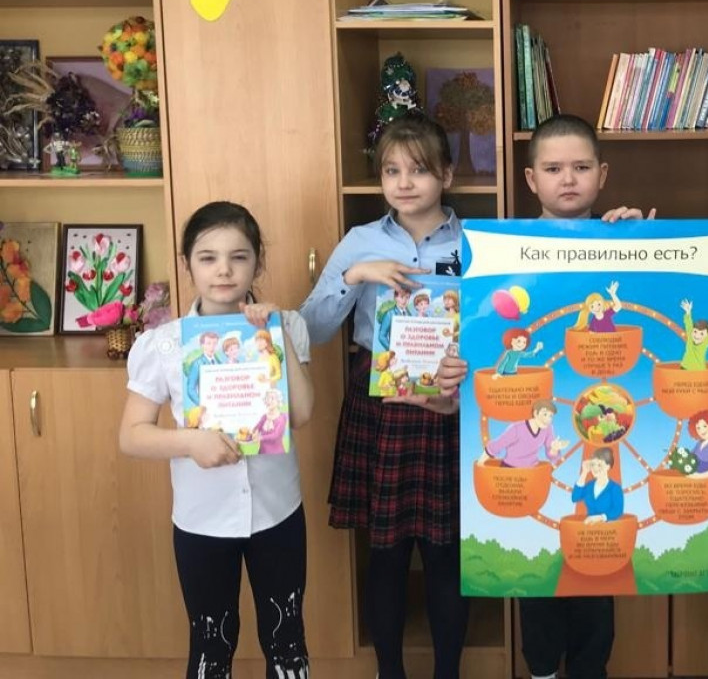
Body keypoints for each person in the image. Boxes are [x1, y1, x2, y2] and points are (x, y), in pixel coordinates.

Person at [299, 111, 467, 679]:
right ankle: (388, 671)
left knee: (447, 553)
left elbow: (498, 324)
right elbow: (311, 329)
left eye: (418, 169)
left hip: (450, 402)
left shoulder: (475, 242)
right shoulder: (360, 242)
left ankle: (448, 672)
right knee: (387, 552)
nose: (404, 182)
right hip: (381, 402)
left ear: (447, 174)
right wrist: (355, 277)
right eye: (391, 170)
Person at [118, 201, 315, 679]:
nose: (223, 270)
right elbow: (131, 435)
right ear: (187, 265)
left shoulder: (287, 325)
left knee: (287, 642)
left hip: (277, 514)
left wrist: (276, 337)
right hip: (202, 521)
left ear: (258, 263)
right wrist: (191, 443)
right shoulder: (165, 343)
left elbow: (302, 414)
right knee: (211, 646)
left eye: (238, 256)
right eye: (208, 258)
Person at [507, 113, 652, 679]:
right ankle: (542, 669)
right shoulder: (505, 250)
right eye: (553, 169)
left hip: (603, 420)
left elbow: (650, 308)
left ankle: (591, 669)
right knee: (540, 567)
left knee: (597, 565)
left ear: (602, 174)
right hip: (539, 425)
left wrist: (644, 244)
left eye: (581, 167)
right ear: (530, 179)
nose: (567, 179)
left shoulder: (627, 239)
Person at [478, 399, 569, 468]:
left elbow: (551, 454)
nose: (548, 419)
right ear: (535, 413)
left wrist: (554, 449)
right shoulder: (517, 428)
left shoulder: (548, 428)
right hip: (511, 469)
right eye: (545, 414)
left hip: (531, 471)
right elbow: (497, 445)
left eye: (551, 416)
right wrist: (480, 462)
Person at [572, 448, 624, 524]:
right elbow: (575, 498)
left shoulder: (615, 488)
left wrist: (601, 517)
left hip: (609, 528)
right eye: (593, 464)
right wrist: (584, 472)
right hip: (588, 528)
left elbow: (618, 510)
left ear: (608, 466)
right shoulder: (589, 486)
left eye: (600, 465)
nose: (595, 468)